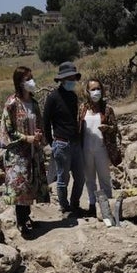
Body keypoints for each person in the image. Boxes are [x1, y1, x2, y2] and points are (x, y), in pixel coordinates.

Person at [0, 66, 48, 238]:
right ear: (19, 82)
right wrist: (26, 138)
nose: (31, 81)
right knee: (20, 187)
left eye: (32, 77)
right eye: (28, 79)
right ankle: (21, 222)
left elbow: (39, 122)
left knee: (30, 185)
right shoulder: (12, 103)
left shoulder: (34, 103)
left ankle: (27, 217)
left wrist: (38, 135)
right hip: (18, 153)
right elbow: (8, 129)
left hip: (33, 151)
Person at [42, 61, 86, 216]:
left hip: (75, 143)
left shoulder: (73, 96)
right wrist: (51, 143)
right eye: (70, 78)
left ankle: (75, 204)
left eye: (74, 77)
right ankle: (65, 207)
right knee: (63, 178)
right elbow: (45, 122)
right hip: (61, 143)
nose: (72, 80)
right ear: (62, 79)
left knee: (80, 178)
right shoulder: (52, 98)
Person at [80, 79, 121, 227]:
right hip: (86, 148)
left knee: (104, 178)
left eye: (98, 88)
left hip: (102, 148)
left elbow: (115, 128)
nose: (96, 92)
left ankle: (108, 204)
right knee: (89, 178)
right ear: (87, 91)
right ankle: (92, 205)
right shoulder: (82, 109)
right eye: (92, 89)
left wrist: (107, 128)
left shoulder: (107, 109)